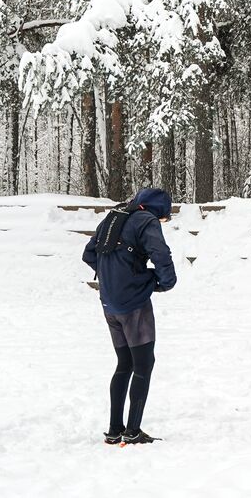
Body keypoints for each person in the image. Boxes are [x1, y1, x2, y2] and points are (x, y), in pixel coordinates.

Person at [82, 187, 177, 446]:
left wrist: (114, 276)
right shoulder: (145, 220)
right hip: (134, 304)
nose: (162, 223)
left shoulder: (115, 216)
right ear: (157, 210)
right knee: (144, 365)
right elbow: (160, 254)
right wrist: (164, 282)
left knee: (124, 364)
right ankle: (132, 431)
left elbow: (89, 254)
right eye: (164, 218)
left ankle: (114, 430)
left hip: (109, 303)